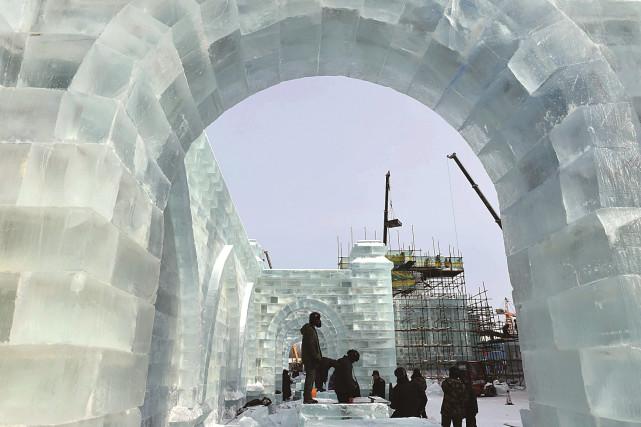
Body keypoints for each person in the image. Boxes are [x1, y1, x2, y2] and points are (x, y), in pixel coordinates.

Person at [301, 312, 322, 403]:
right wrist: (316, 356)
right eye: (318, 319)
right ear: (314, 319)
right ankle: (307, 398)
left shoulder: (310, 329)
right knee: (310, 378)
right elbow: (311, 345)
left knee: (310, 378)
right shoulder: (309, 330)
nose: (319, 321)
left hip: (310, 358)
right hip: (311, 359)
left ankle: (308, 397)